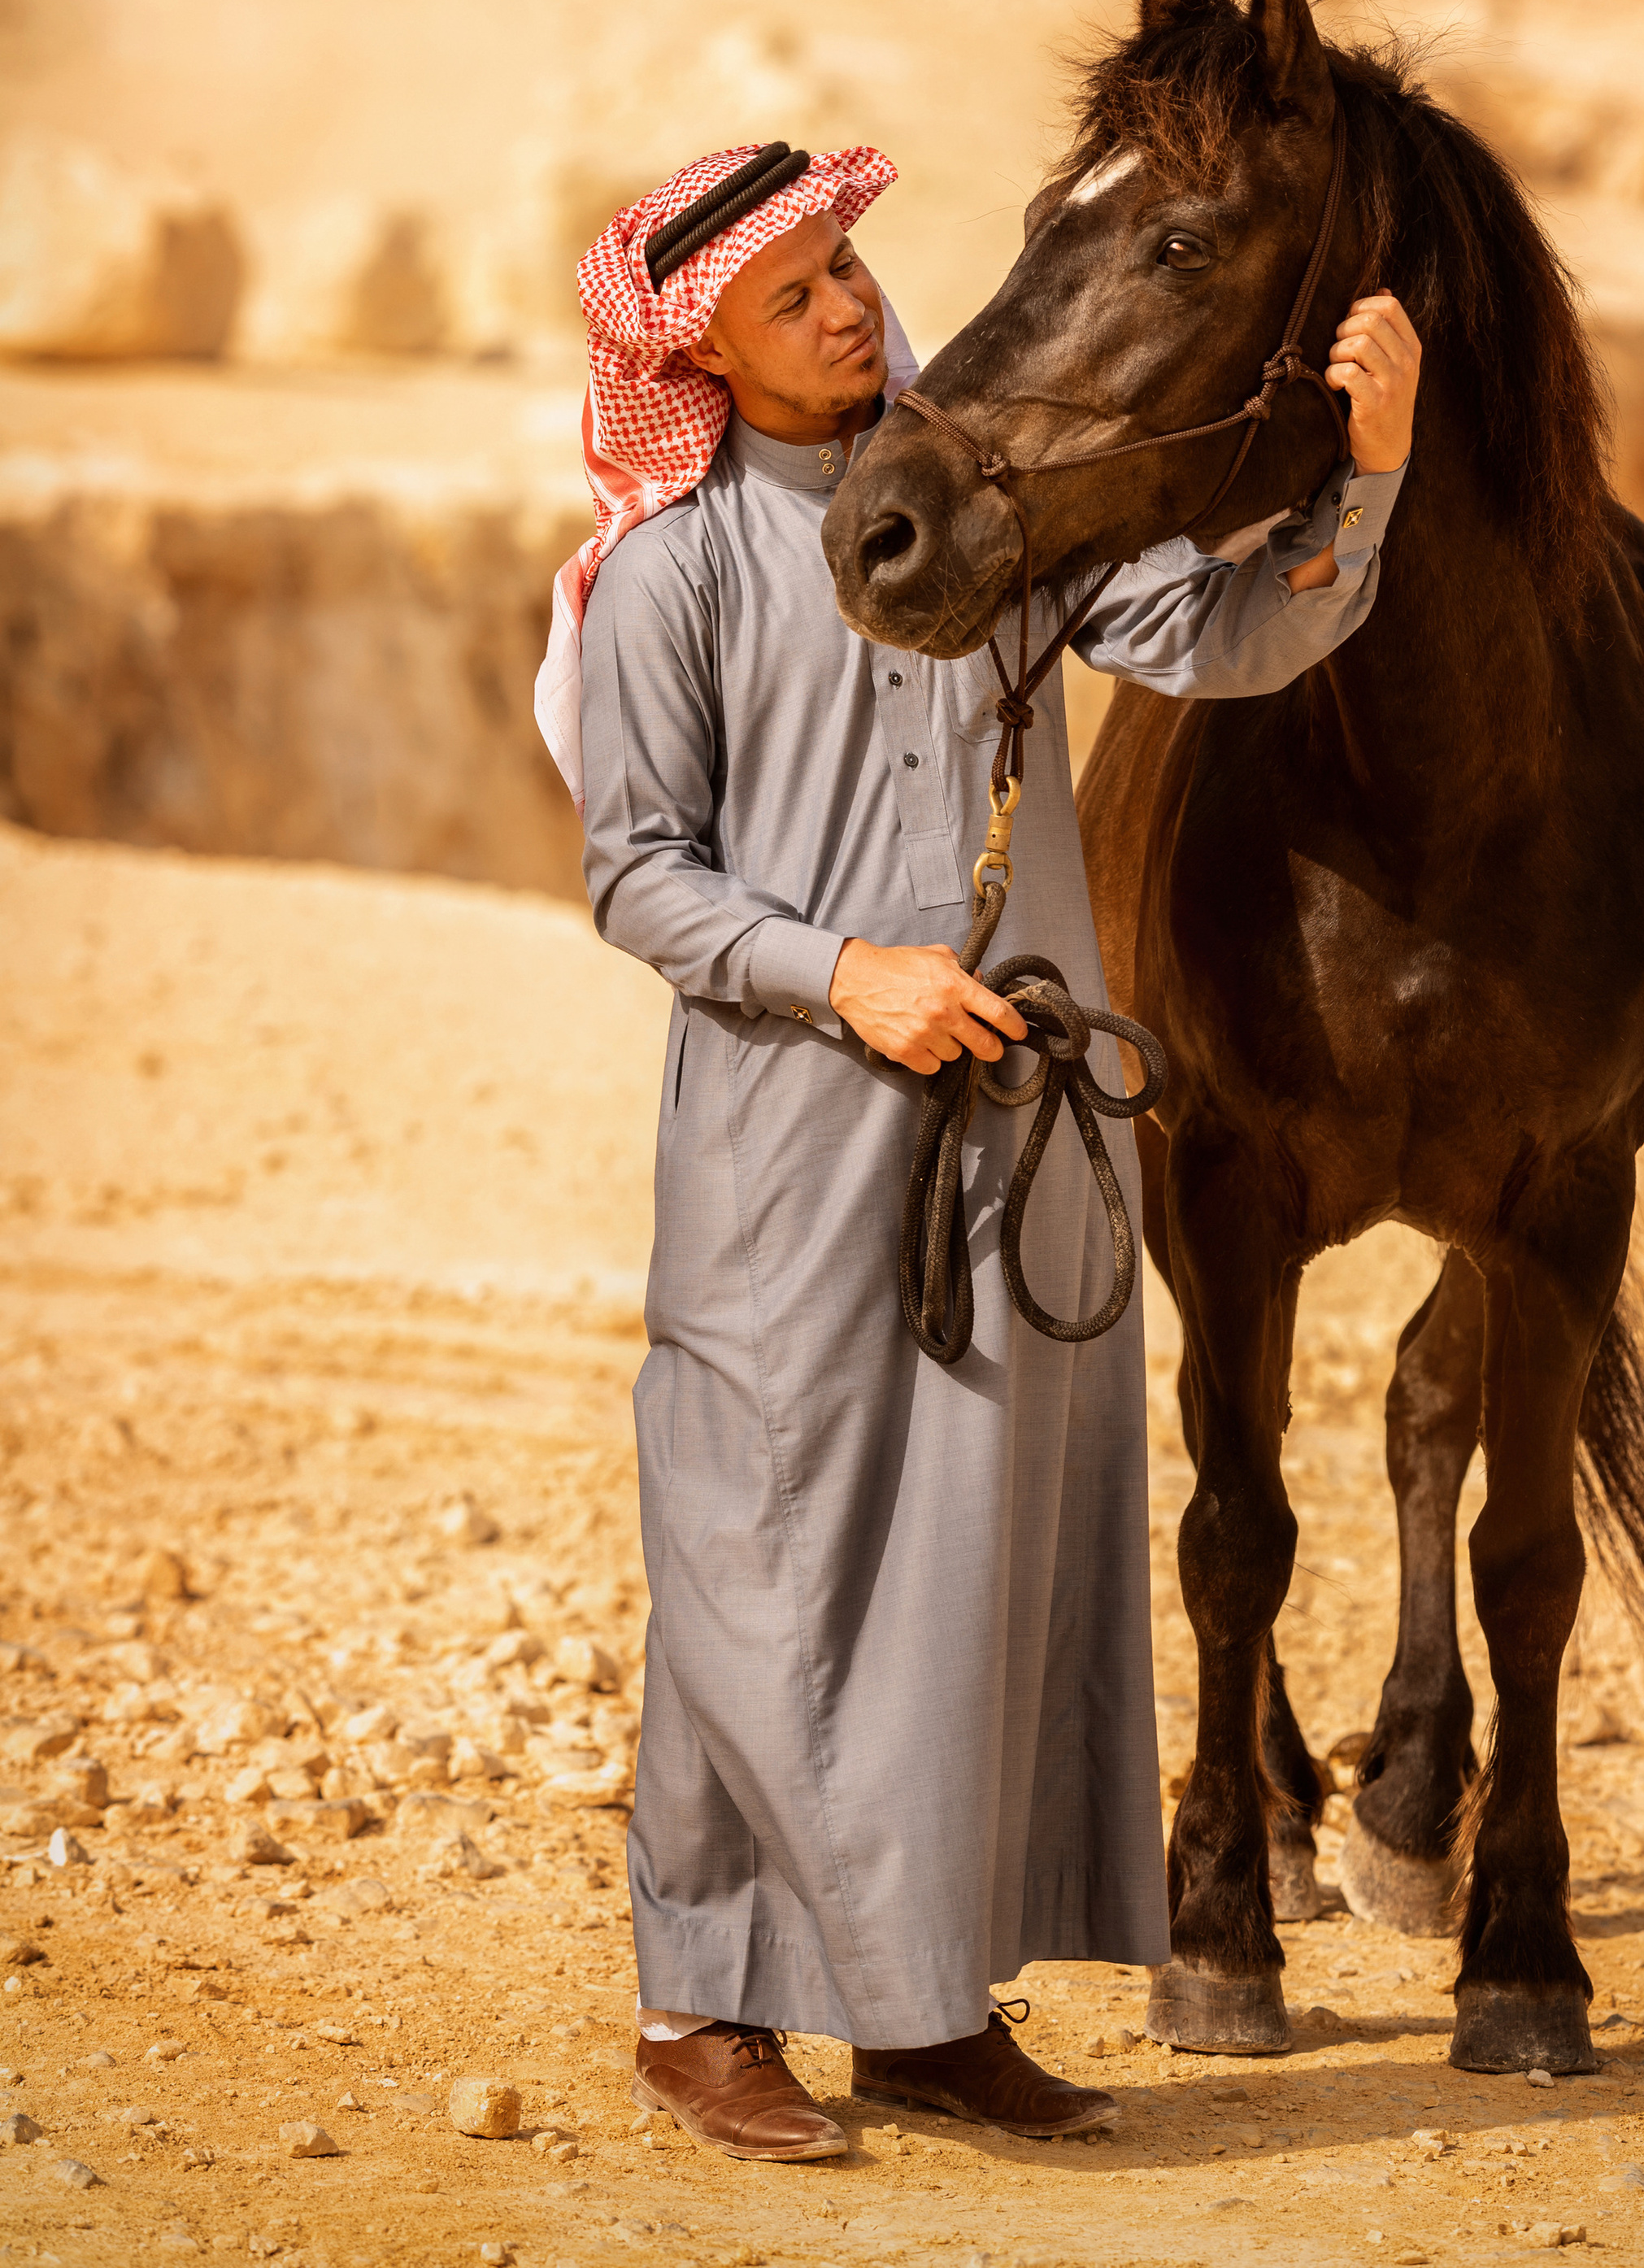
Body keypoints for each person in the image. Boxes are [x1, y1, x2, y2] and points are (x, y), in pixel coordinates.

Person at [533, 138, 1420, 2166]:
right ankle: (706, 2004)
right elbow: (637, 878)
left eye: (848, 267)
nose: (850, 306)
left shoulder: (990, 510)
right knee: (758, 1543)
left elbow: (1221, 638)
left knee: (975, 1549)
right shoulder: (677, 572)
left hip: (1020, 1130)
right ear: (699, 354)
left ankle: (927, 2013)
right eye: (793, 297)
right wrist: (845, 978)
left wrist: (1364, 471)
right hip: (793, 1126)